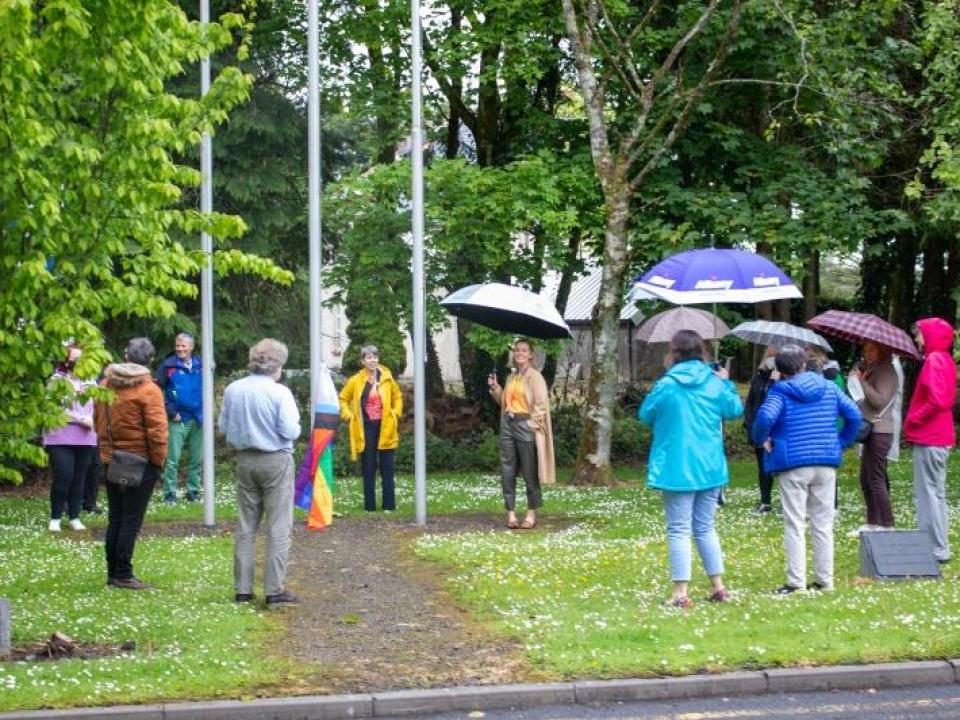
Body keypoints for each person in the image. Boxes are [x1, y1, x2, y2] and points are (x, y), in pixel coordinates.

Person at [638, 330, 742, 608]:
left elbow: (645, 415)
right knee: (706, 527)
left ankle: (681, 593)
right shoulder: (714, 382)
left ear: (674, 353)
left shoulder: (666, 385)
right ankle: (718, 587)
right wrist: (727, 383)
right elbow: (734, 409)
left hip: (676, 466)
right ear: (702, 352)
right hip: (709, 465)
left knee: (679, 529)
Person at [751, 345, 861, 594]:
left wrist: (762, 439)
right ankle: (825, 580)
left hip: (793, 465)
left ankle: (796, 582)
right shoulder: (829, 387)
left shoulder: (779, 390)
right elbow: (854, 414)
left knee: (795, 523)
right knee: (823, 523)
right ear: (804, 365)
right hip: (825, 462)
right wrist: (840, 442)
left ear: (779, 369)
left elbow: (764, 419)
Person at [219, 338, 302, 605]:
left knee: (246, 526)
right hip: (275, 459)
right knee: (279, 525)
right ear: (277, 365)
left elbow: (223, 427)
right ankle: (274, 590)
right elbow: (290, 431)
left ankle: (243, 589)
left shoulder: (234, 389)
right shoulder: (280, 393)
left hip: (244, 460)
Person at [95, 338, 168, 590]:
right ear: (150, 360)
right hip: (141, 461)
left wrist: (106, 453)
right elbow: (157, 432)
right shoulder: (149, 390)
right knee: (131, 520)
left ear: (126, 356)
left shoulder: (105, 384)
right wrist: (158, 463)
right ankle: (123, 574)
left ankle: (113, 572)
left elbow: (98, 422)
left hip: (111, 459)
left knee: (116, 517)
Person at [488, 338, 556, 530]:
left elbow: (541, 404)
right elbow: (505, 402)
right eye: (517, 350)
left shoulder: (535, 377)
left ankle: (531, 513)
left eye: (524, 351)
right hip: (508, 424)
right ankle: (510, 514)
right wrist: (496, 388)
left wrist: (530, 423)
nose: (519, 353)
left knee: (529, 471)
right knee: (507, 469)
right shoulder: (512, 377)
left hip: (525, 425)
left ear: (531, 354)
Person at [904, 317, 956, 564]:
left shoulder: (934, 361)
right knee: (936, 493)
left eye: (920, 334)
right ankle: (938, 545)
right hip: (939, 435)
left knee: (928, 494)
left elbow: (938, 400)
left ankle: (934, 547)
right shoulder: (944, 359)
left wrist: (914, 418)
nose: (917, 339)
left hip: (930, 435)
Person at [339, 345, 403, 513]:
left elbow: (398, 397)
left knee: (387, 466)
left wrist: (395, 413)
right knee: (368, 467)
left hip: (386, 427)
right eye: (369, 357)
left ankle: (389, 506)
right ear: (362, 361)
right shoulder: (355, 380)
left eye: (375, 356)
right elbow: (343, 399)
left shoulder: (387, 377)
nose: (372, 360)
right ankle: (370, 507)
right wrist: (348, 416)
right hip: (365, 428)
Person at [43, 340, 98, 532]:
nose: (78, 361)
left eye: (80, 358)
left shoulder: (91, 382)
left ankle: (74, 517)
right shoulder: (56, 381)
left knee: (79, 477)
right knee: (64, 476)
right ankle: (55, 517)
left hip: (85, 437)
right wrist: (80, 419)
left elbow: (97, 406)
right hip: (60, 436)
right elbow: (53, 408)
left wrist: (90, 418)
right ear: (66, 361)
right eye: (74, 358)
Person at [848, 341, 901, 531]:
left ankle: (887, 524)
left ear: (883, 350)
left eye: (872, 350)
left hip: (881, 430)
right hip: (871, 428)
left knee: (876, 478)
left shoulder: (886, 371)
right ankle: (872, 522)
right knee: (866, 478)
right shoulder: (873, 369)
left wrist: (861, 381)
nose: (867, 354)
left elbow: (879, 401)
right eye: (865, 350)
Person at [156, 332, 203, 504]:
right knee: (172, 460)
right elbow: (156, 390)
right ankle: (169, 493)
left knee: (196, 459)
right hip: (178, 417)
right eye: (177, 345)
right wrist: (170, 410)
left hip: (199, 418)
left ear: (191, 346)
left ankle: (193, 491)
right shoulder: (167, 365)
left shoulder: (202, 365)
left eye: (183, 346)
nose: (179, 349)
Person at [743, 346, 779, 514]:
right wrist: (749, 422)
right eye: (771, 354)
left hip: (777, 429)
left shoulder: (783, 379)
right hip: (759, 427)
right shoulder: (759, 377)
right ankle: (765, 501)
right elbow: (751, 401)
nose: (772, 357)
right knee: (763, 466)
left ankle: (787, 502)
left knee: (779, 466)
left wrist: (774, 382)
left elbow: (773, 402)